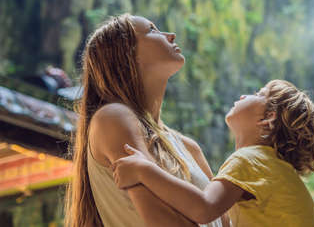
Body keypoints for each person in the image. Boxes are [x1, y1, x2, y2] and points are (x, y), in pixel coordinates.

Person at [64, 14, 226, 227]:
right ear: (127, 54)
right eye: (152, 30)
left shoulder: (189, 147)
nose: (171, 35)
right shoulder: (114, 117)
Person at [112, 79, 314, 227]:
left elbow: (204, 208)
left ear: (267, 119)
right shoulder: (275, 169)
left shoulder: (250, 160)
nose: (245, 94)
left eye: (258, 94)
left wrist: (144, 171)